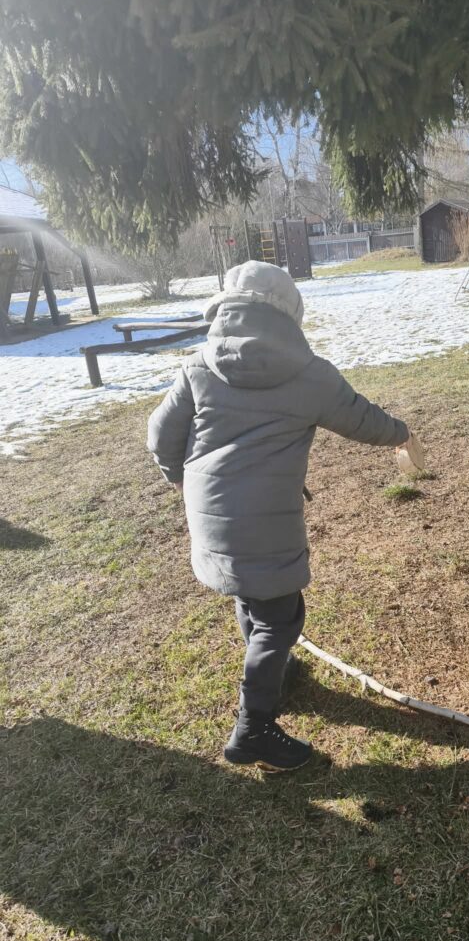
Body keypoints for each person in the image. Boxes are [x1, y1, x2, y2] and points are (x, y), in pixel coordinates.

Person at [147, 261, 411, 772]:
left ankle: (275, 671)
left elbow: (160, 434)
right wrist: (402, 433)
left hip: (209, 512)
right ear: (289, 314)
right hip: (265, 519)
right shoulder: (309, 374)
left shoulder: (199, 365)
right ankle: (254, 730)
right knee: (280, 617)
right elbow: (362, 418)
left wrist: (177, 479)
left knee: (250, 595)